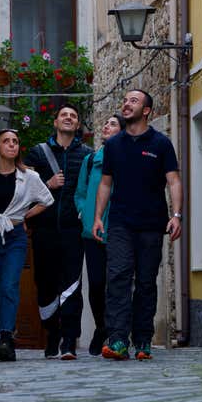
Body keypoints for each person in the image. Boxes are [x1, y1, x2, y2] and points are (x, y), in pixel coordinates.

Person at [92, 90, 183, 361]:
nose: (126, 104)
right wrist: (98, 217)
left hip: (152, 224)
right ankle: (118, 339)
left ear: (146, 111)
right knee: (118, 278)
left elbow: (174, 181)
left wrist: (176, 215)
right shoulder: (114, 145)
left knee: (145, 282)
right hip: (120, 222)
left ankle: (143, 339)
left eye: (133, 101)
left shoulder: (161, 144)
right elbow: (105, 182)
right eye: (125, 100)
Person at [0, 129, 54, 362]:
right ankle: (6, 331)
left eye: (15, 142)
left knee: (9, 285)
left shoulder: (29, 177)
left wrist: (24, 216)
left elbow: (47, 200)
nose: (12, 145)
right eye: (6, 141)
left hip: (15, 236)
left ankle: (6, 337)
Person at [25, 104, 92, 360]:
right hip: (44, 229)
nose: (68, 118)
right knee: (45, 284)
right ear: (55, 122)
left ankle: (69, 341)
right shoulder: (37, 154)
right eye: (63, 114)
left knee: (72, 285)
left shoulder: (87, 155)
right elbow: (24, 190)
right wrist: (48, 184)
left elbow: (92, 189)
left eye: (73, 116)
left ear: (77, 126)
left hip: (73, 231)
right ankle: (51, 335)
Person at [73, 113, 125, 356]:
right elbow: (80, 192)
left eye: (113, 124)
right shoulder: (90, 159)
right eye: (106, 123)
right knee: (95, 283)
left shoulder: (126, 158)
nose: (106, 125)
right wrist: (84, 212)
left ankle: (116, 331)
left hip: (118, 229)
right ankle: (101, 326)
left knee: (116, 283)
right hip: (91, 232)